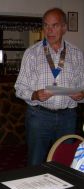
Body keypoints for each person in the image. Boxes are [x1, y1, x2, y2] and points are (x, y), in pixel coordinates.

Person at [15, 8, 84, 166]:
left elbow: (82, 84)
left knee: (65, 163)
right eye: (46, 26)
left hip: (68, 117)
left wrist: (81, 94)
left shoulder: (76, 54)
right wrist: (35, 95)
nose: (49, 30)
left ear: (64, 28)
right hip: (39, 117)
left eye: (55, 25)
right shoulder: (32, 53)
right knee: (36, 162)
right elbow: (19, 88)